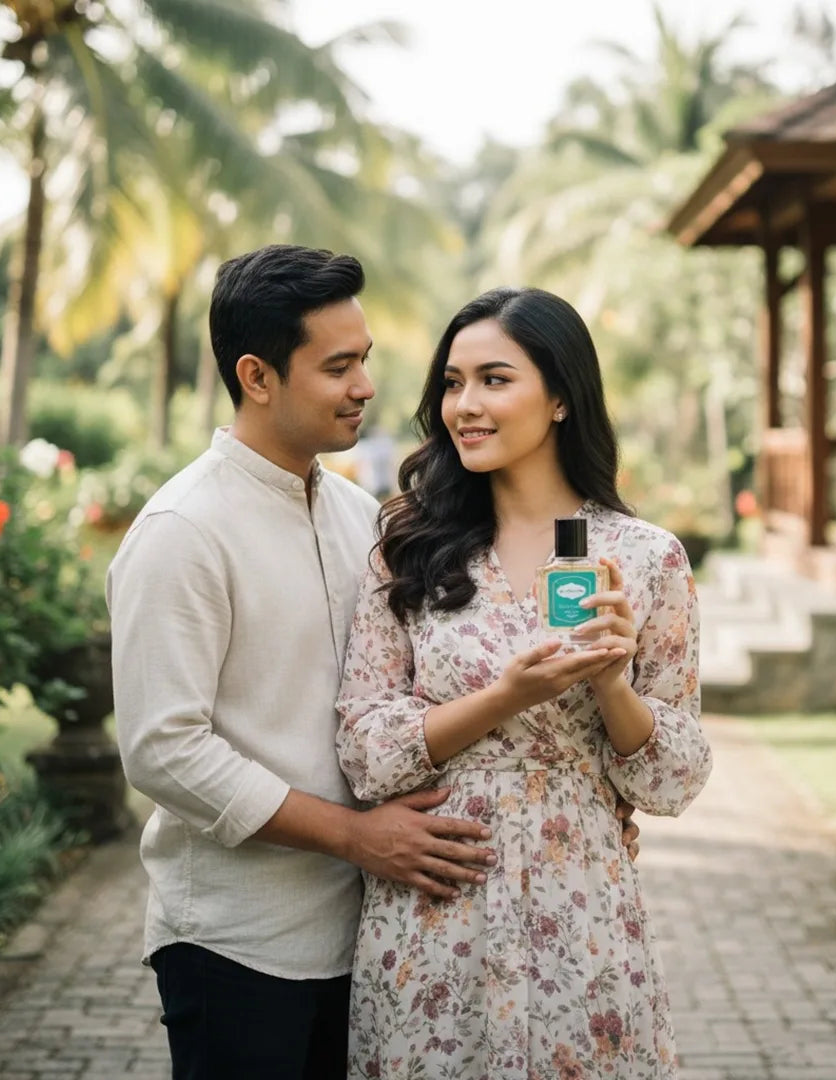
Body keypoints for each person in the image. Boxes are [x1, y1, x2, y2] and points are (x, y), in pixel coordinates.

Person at [106, 246, 639, 1080]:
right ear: (257, 376)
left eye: (367, 362)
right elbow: (164, 750)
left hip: (374, 932)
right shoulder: (184, 530)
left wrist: (585, 807)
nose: (365, 386)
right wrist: (356, 837)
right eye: (338, 366)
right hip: (242, 941)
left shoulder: (366, 519)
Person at [336, 287, 713, 1079]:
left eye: (494, 380)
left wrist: (613, 684)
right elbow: (366, 750)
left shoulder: (646, 558)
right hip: (434, 907)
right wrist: (506, 697)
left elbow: (675, 776)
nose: (464, 405)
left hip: (583, 908)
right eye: (451, 382)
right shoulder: (406, 547)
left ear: (562, 400)